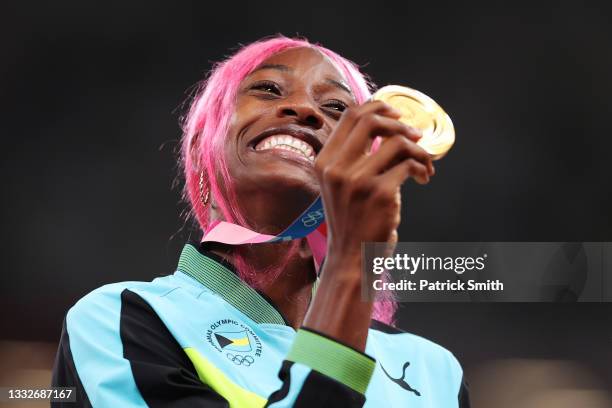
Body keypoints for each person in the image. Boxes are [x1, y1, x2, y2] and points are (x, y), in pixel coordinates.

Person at [52, 35, 470, 407]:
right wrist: (348, 263)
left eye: (337, 108)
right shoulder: (122, 322)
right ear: (201, 151)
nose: (305, 109)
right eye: (268, 89)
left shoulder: (435, 374)